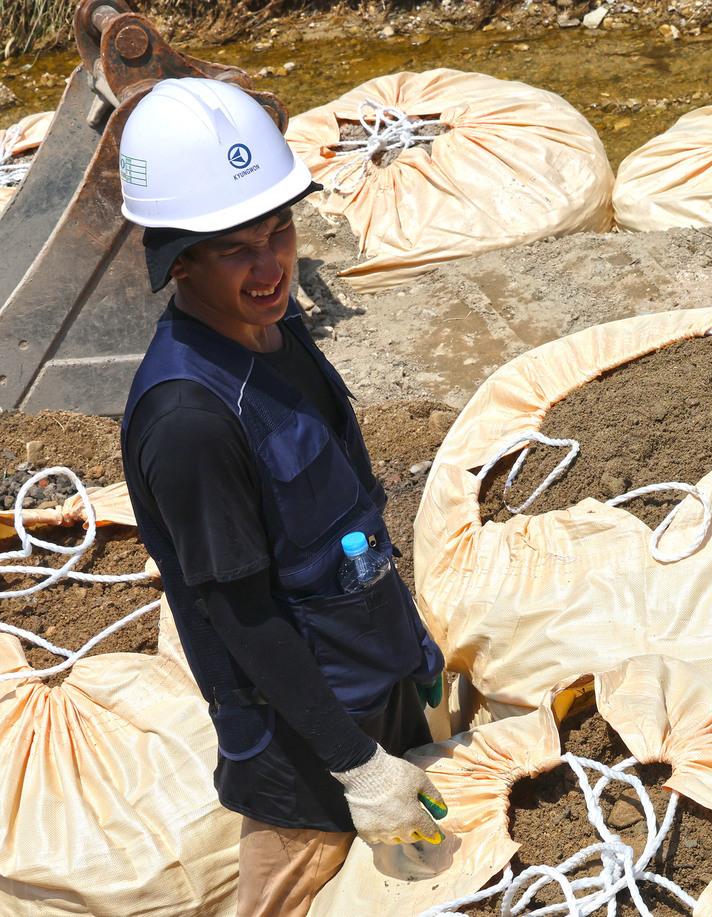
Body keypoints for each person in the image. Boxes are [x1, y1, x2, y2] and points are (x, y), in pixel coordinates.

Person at [116, 78, 448, 917]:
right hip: (301, 742)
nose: (272, 267)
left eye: (279, 231)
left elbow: (343, 510)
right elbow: (241, 614)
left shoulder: (276, 329)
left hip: (372, 675)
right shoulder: (189, 417)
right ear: (177, 259)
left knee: (406, 882)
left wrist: (409, 646)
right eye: (236, 248)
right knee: (292, 893)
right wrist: (354, 764)